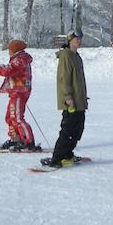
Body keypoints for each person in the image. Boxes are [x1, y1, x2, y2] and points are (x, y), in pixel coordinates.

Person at [40, 31, 88, 168]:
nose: (79, 41)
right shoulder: (66, 56)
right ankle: (57, 158)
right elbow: (64, 79)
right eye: (76, 39)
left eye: (80, 39)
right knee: (68, 130)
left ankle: (67, 154)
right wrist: (68, 97)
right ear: (70, 40)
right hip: (71, 101)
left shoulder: (76, 56)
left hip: (79, 101)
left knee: (78, 130)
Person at [0, 39, 38, 151]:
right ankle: (16, 139)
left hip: (20, 92)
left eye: (10, 49)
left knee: (17, 118)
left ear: (14, 49)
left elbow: (9, 70)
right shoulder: (18, 59)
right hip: (15, 92)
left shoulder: (20, 59)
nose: (8, 51)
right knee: (10, 117)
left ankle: (28, 141)